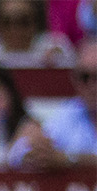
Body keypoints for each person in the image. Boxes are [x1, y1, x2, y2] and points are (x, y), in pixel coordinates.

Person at [24, 35, 96, 164]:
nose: (93, 86)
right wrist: (36, 149)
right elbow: (21, 154)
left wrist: (70, 159)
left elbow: (66, 158)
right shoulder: (69, 113)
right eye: (85, 77)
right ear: (74, 80)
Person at [0, 0, 75, 58]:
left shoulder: (57, 46)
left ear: (36, 22)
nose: (15, 29)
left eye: (23, 22)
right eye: (6, 22)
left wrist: (59, 61)